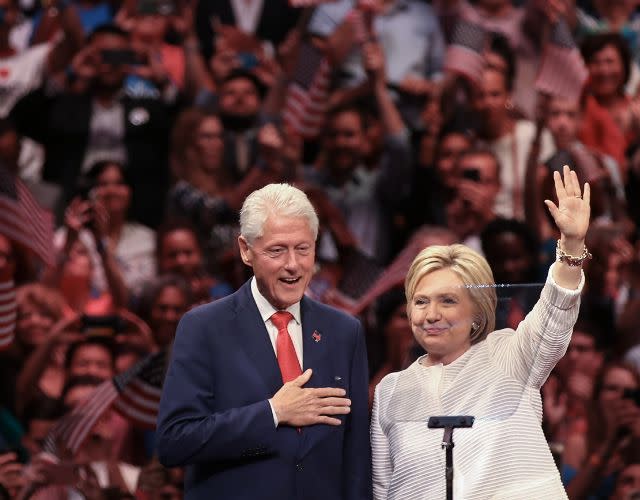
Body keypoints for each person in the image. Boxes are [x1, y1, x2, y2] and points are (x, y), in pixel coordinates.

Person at [371, 165, 591, 499]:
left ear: (477, 311)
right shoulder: (391, 390)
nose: (431, 315)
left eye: (447, 301)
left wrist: (571, 249)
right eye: (420, 301)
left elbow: (553, 316)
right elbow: (383, 488)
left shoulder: (510, 357)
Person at [156, 183, 371, 499]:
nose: (293, 265)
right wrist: (273, 412)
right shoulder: (204, 328)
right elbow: (175, 441)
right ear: (245, 250)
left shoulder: (344, 331)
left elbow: (355, 458)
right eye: (277, 250)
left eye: (303, 248)